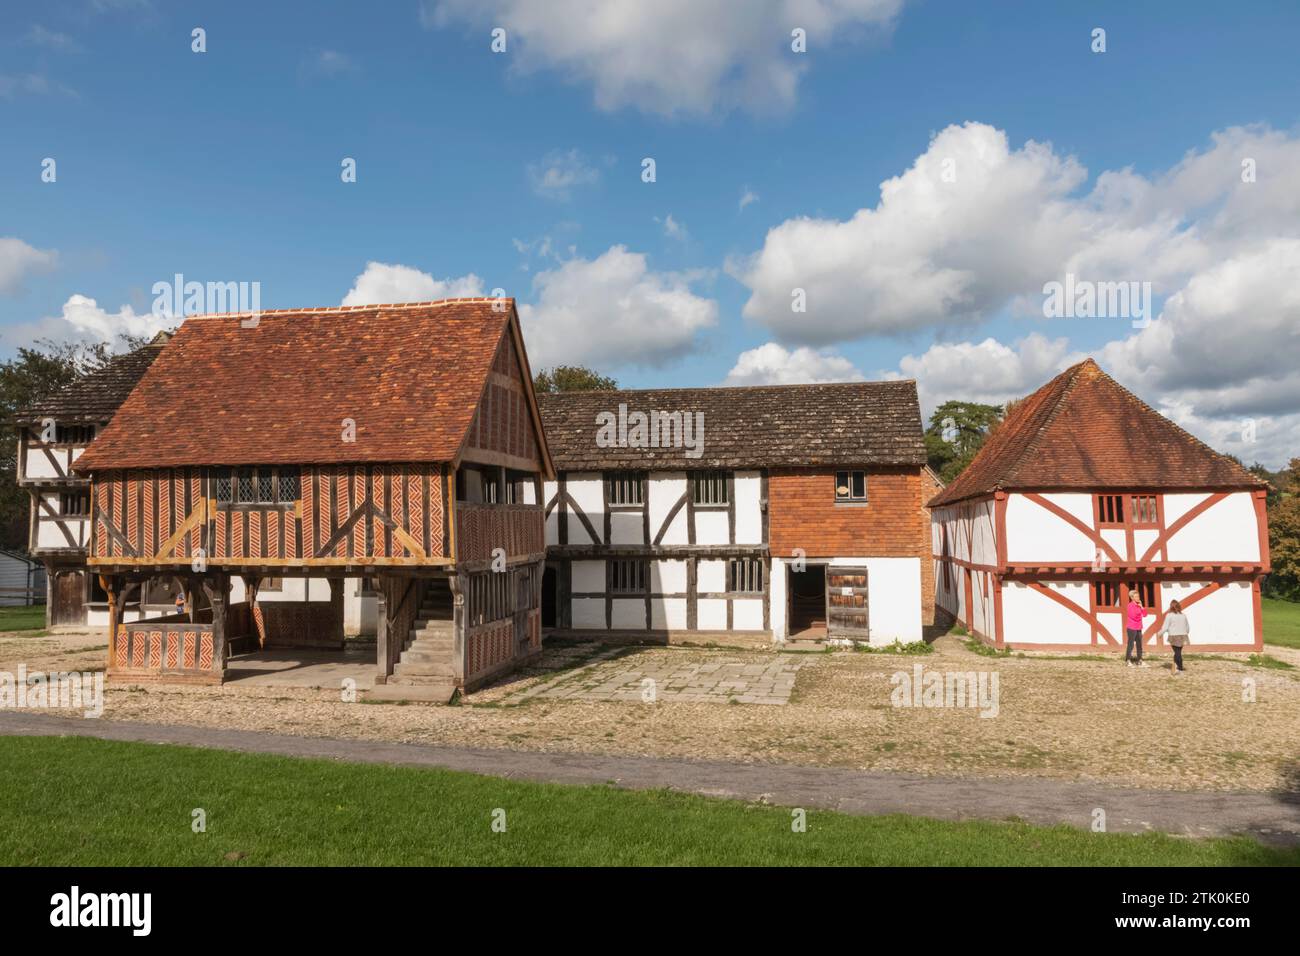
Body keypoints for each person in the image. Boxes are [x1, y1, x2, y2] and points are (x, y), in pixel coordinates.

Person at [1160, 599, 1191, 674]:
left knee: (1177, 652)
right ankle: (1175, 667)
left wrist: (1160, 634)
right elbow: (1187, 627)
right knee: (1178, 651)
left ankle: (1179, 668)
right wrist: (1185, 633)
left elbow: (1165, 627)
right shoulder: (1183, 615)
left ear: (1171, 607)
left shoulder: (1169, 615)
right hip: (1183, 636)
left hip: (1174, 636)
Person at [1124, 588, 1146, 666]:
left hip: (1139, 627)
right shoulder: (1130, 605)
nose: (1138, 598)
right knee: (1131, 644)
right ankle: (1128, 660)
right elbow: (1133, 616)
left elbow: (1145, 614)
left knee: (1139, 644)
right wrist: (1139, 612)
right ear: (1132, 598)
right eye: (1136, 597)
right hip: (1131, 627)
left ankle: (1139, 660)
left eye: (1138, 596)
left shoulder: (1139, 605)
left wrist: (1142, 606)